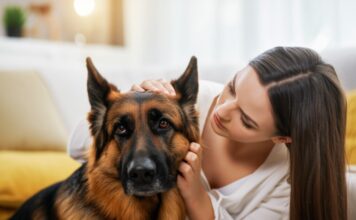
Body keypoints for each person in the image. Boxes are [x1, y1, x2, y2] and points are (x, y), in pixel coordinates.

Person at [68, 47, 348, 220]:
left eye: (246, 120)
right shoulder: (185, 102)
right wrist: (128, 104)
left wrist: (198, 197)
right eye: (233, 87)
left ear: (282, 138)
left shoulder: (285, 185)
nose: (223, 109)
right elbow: (76, 147)